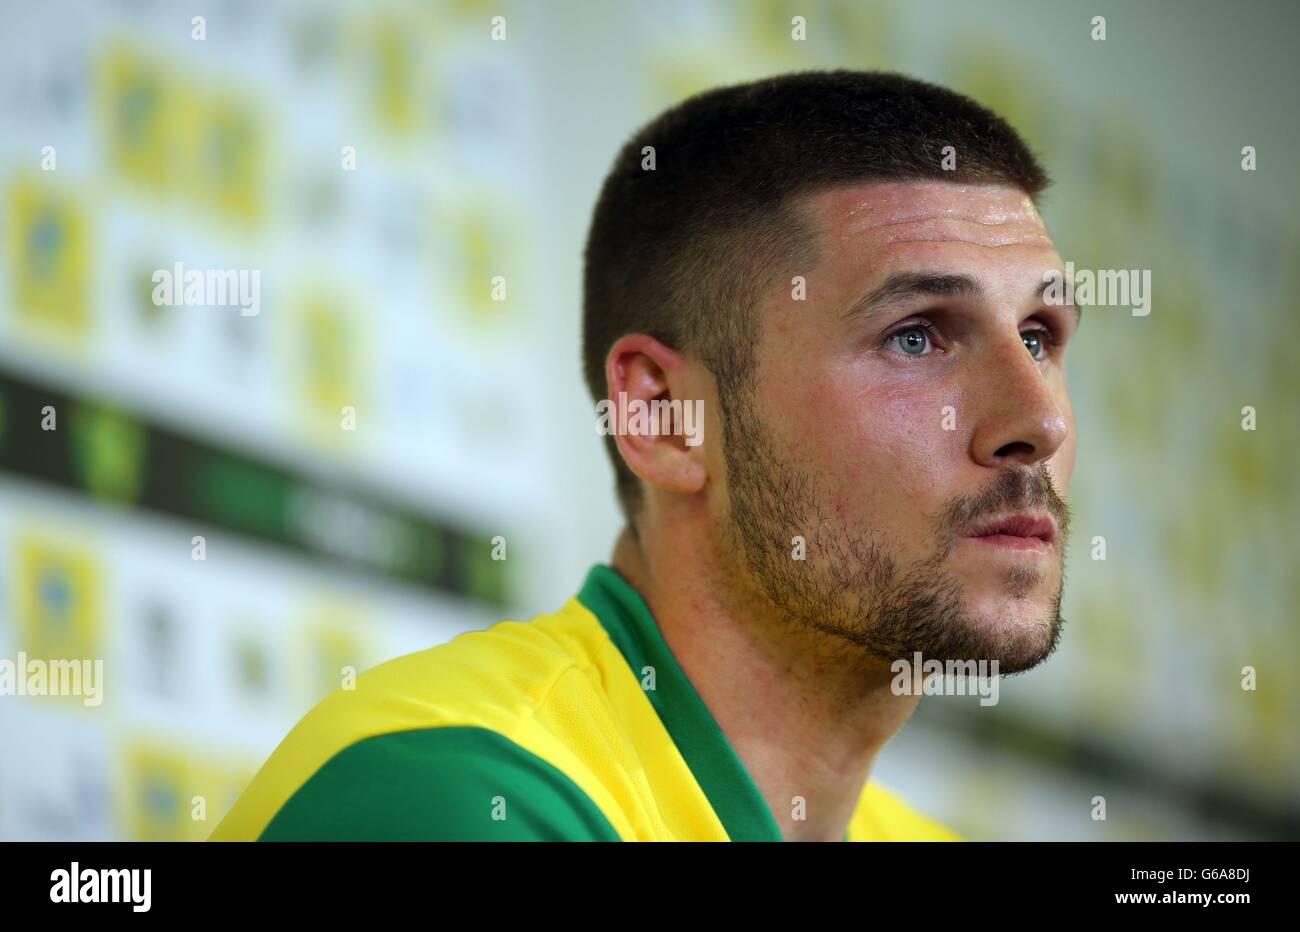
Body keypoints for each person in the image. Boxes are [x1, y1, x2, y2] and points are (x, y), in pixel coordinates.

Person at [211, 69, 1078, 842]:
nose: (1038, 419)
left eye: (1038, 336)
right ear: (665, 417)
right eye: (917, 337)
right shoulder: (455, 796)